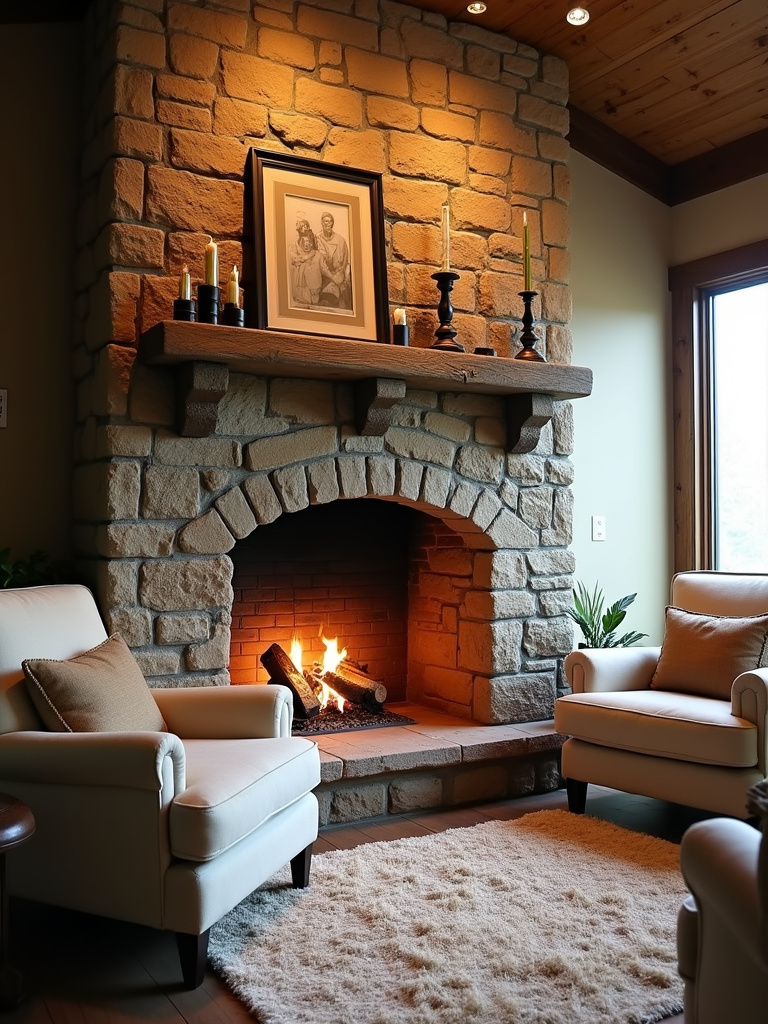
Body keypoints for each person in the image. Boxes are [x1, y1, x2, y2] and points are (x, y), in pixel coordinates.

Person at [316, 212, 352, 309]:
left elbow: (345, 260)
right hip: (325, 277)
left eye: (330, 221)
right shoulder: (317, 239)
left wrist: (341, 273)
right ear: (321, 222)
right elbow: (320, 264)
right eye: (325, 221)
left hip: (340, 275)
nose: (328, 224)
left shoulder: (340, 240)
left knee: (346, 295)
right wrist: (332, 277)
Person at [288, 222, 323, 307]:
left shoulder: (316, 253)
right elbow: (294, 257)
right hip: (300, 283)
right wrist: (300, 259)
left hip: (313, 285)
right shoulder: (294, 244)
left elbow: (322, 267)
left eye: (306, 226)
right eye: (302, 227)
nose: (304, 228)